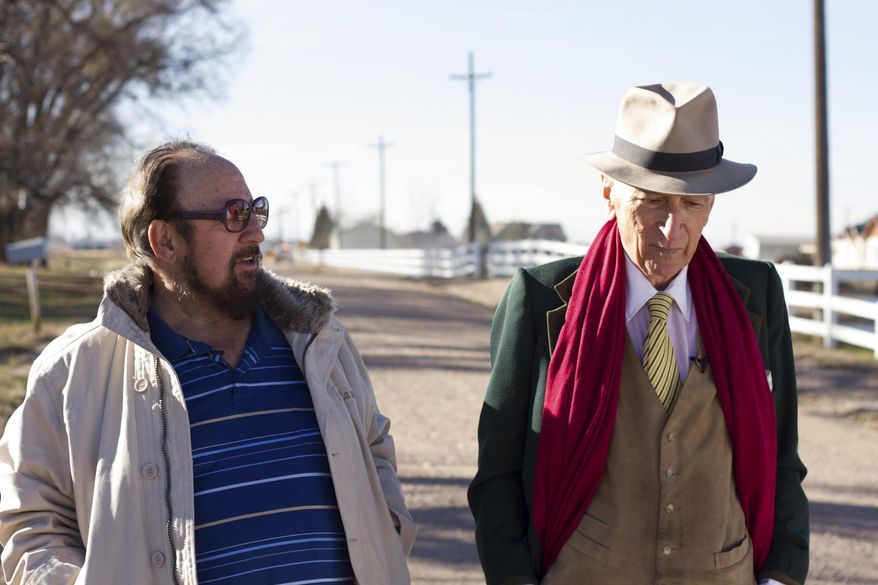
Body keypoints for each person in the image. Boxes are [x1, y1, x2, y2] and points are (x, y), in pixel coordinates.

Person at [0, 141, 415, 584]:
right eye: (234, 215)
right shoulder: (73, 372)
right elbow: (29, 522)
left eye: (257, 211)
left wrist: (386, 530)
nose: (255, 232)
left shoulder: (320, 342)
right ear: (166, 241)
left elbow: (373, 450)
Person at [468, 83, 808, 585]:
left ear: (711, 202)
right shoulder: (540, 300)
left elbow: (781, 460)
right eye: (652, 203)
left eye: (692, 204)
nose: (673, 230)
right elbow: (497, 475)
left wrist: (780, 576)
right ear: (608, 191)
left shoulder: (755, 295)